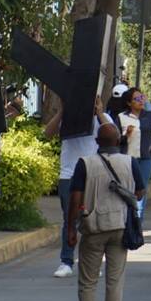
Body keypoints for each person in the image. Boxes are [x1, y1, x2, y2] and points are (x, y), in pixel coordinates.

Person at [66, 123, 145, 301]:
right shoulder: (130, 162)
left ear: (97, 142)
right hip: (120, 226)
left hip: (93, 227)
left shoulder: (85, 163)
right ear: (118, 141)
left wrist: (71, 227)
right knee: (115, 281)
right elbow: (139, 192)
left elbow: (75, 197)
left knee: (88, 282)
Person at [44, 97, 112, 278]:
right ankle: (66, 261)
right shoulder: (68, 117)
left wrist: (98, 113)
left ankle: (93, 262)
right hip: (69, 174)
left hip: (93, 173)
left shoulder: (101, 118)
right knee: (70, 218)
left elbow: (114, 135)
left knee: (93, 220)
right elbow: (48, 133)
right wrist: (62, 112)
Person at [116, 88, 151, 221]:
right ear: (129, 103)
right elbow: (116, 141)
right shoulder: (121, 117)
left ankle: (137, 224)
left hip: (145, 159)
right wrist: (126, 135)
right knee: (126, 190)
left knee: (141, 191)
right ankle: (125, 221)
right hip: (127, 159)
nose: (140, 101)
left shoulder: (150, 116)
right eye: (136, 99)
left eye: (142, 98)